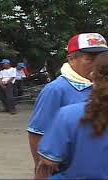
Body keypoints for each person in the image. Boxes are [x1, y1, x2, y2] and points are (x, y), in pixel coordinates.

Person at [27, 32, 108, 170]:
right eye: (90, 58)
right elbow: (37, 133)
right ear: (71, 59)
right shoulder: (56, 90)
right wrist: (41, 170)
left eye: (102, 58)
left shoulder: (101, 86)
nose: (97, 63)